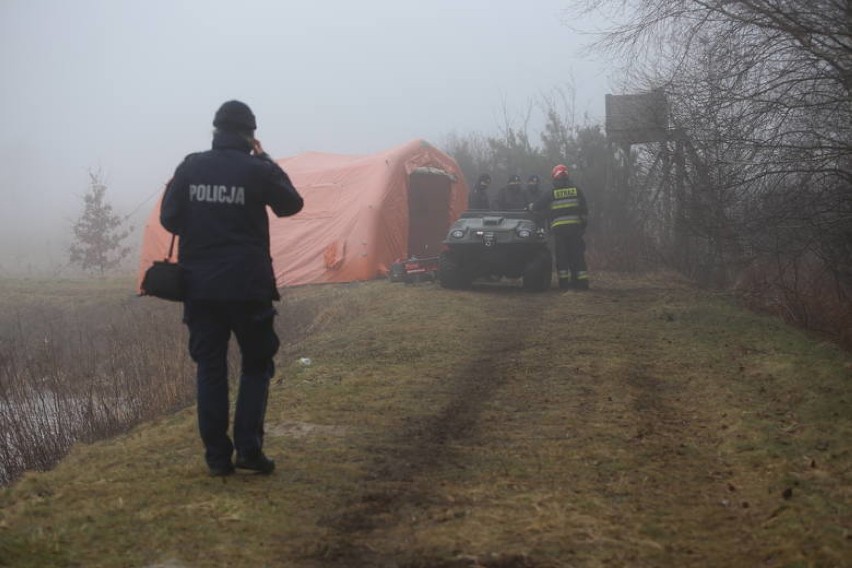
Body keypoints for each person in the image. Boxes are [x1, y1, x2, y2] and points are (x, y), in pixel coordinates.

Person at [160, 100, 304, 477]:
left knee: (210, 368)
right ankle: (249, 450)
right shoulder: (257, 169)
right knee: (256, 365)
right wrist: (266, 158)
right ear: (250, 135)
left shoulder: (190, 167)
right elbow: (291, 204)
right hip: (248, 287)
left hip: (200, 288)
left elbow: (169, 218)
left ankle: (217, 458)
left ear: (215, 131)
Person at [531, 164, 590, 290]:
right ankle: (582, 284)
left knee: (562, 257)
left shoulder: (552, 193)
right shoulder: (576, 190)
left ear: (555, 177)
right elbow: (584, 211)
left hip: (559, 232)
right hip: (575, 230)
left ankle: (564, 285)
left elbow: (537, 206)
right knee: (577, 256)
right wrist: (582, 227)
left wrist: (530, 207)